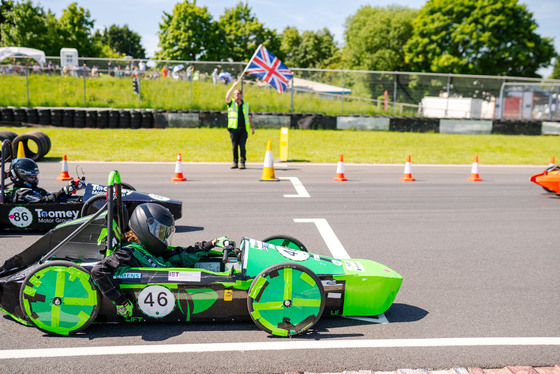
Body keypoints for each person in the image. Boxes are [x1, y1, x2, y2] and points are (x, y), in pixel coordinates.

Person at [90, 203, 232, 318]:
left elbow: (179, 254)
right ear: (146, 229)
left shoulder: (150, 249)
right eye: (161, 233)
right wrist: (121, 302)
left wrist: (210, 244)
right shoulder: (128, 253)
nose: (164, 238)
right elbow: (99, 270)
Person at [5, 158, 82, 203]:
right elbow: (43, 201)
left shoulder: (35, 190)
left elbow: (50, 196)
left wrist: (68, 191)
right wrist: (63, 191)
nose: (34, 179)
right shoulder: (21, 193)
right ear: (18, 176)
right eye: (30, 177)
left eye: (35, 176)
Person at [225, 79, 255, 169]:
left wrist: (252, 127)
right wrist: (233, 86)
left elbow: (249, 116)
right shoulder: (231, 103)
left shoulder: (246, 104)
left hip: (243, 129)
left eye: (238, 94)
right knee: (234, 146)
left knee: (242, 146)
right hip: (234, 128)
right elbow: (227, 96)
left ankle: (242, 162)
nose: (236, 95)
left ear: (241, 95)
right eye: (235, 94)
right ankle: (235, 162)